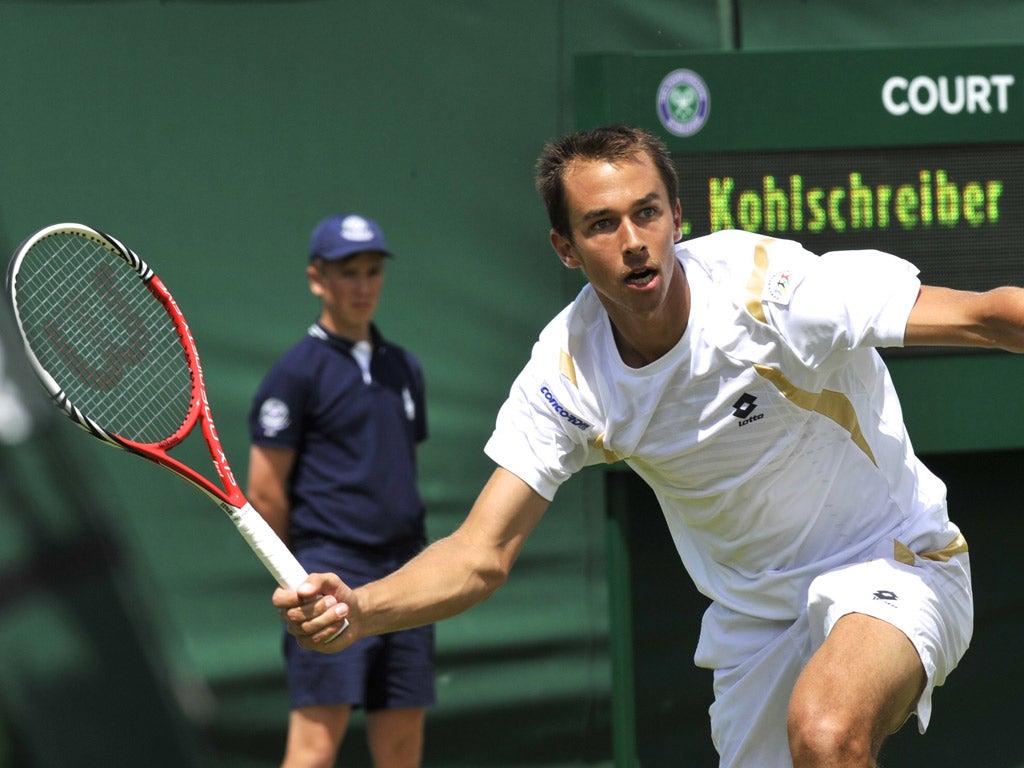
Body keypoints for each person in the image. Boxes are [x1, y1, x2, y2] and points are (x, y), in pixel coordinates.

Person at [271, 125, 1023, 767]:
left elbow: (988, 316)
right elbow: (480, 554)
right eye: (602, 225)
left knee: (826, 732)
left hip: (892, 556)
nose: (633, 242)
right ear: (565, 249)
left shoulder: (774, 293)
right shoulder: (568, 373)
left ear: (677, 217)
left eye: (648, 213)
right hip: (756, 619)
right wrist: (361, 609)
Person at [248, 213, 434, 768]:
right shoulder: (295, 374)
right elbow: (264, 491)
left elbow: (399, 468)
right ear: (317, 279)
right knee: (314, 746)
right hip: (329, 574)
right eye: (348, 271)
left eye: (372, 271)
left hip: (405, 575)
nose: (362, 284)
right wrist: (299, 578)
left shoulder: (404, 367)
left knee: (401, 746)